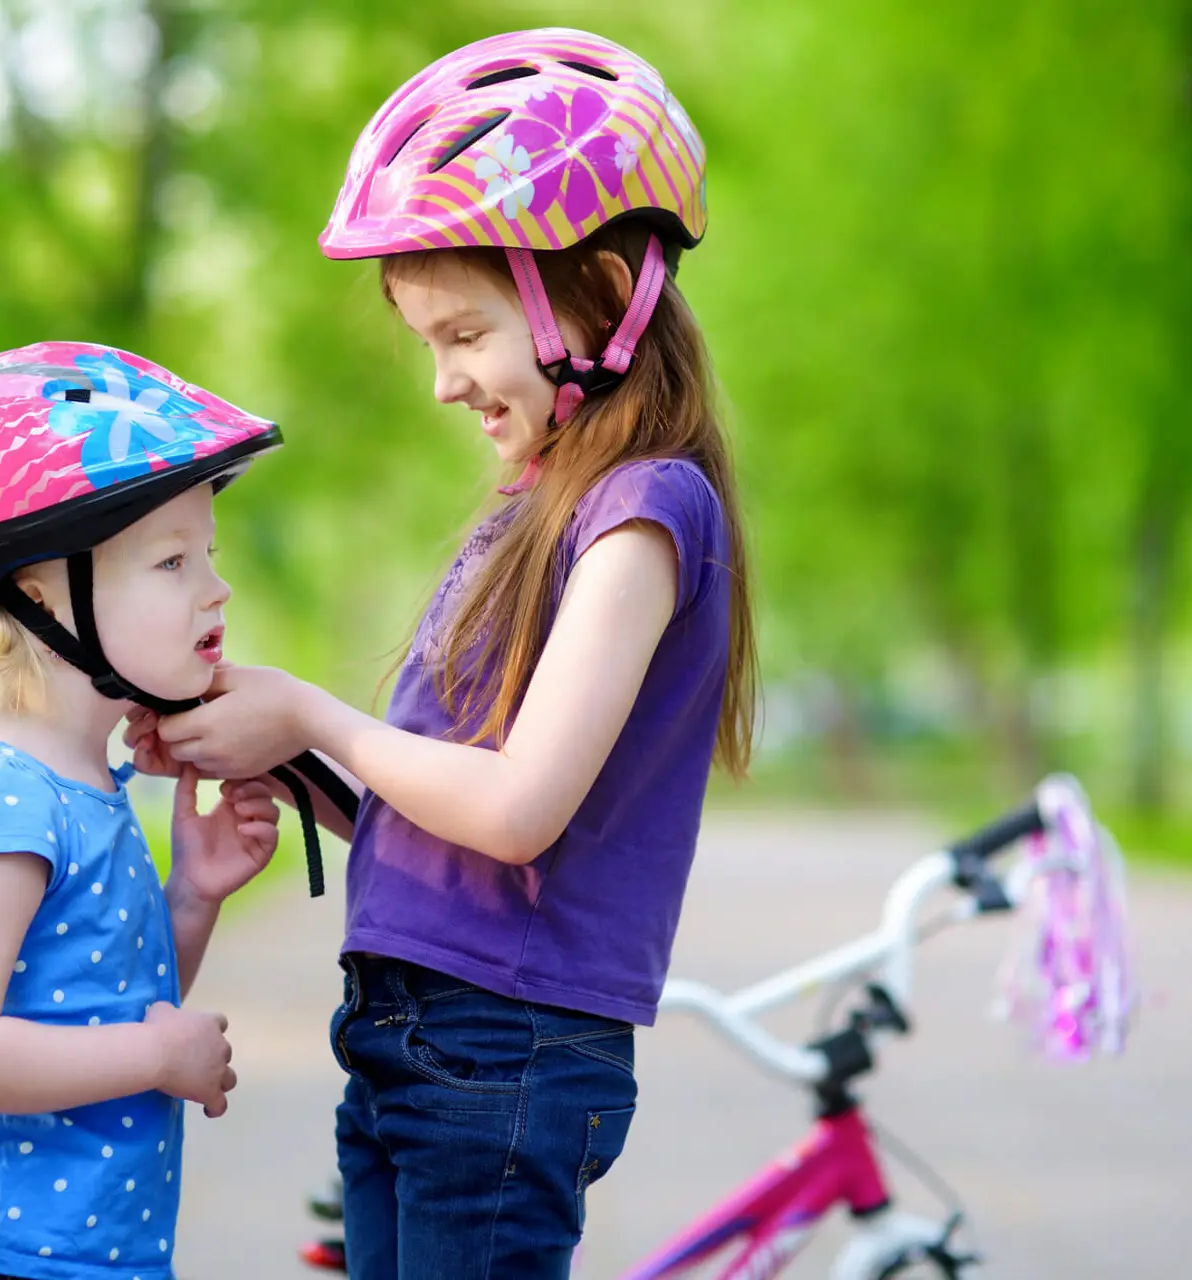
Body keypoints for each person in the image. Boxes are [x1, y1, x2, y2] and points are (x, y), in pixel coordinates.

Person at [140, 29, 759, 1279]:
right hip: (419, 1033)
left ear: (592, 292)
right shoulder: (539, 507)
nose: (442, 381)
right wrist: (270, 743)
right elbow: (458, 798)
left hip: (499, 1051)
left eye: (465, 333)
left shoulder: (641, 513)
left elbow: (522, 809)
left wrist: (316, 716)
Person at [0, 340, 287, 1280]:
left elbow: (90, 999)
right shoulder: (3, 797)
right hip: (2, 1263)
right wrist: (154, 1053)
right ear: (39, 596)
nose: (215, 587)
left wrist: (192, 901)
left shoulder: (83, 785)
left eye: (205, 555)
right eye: (172, 561)